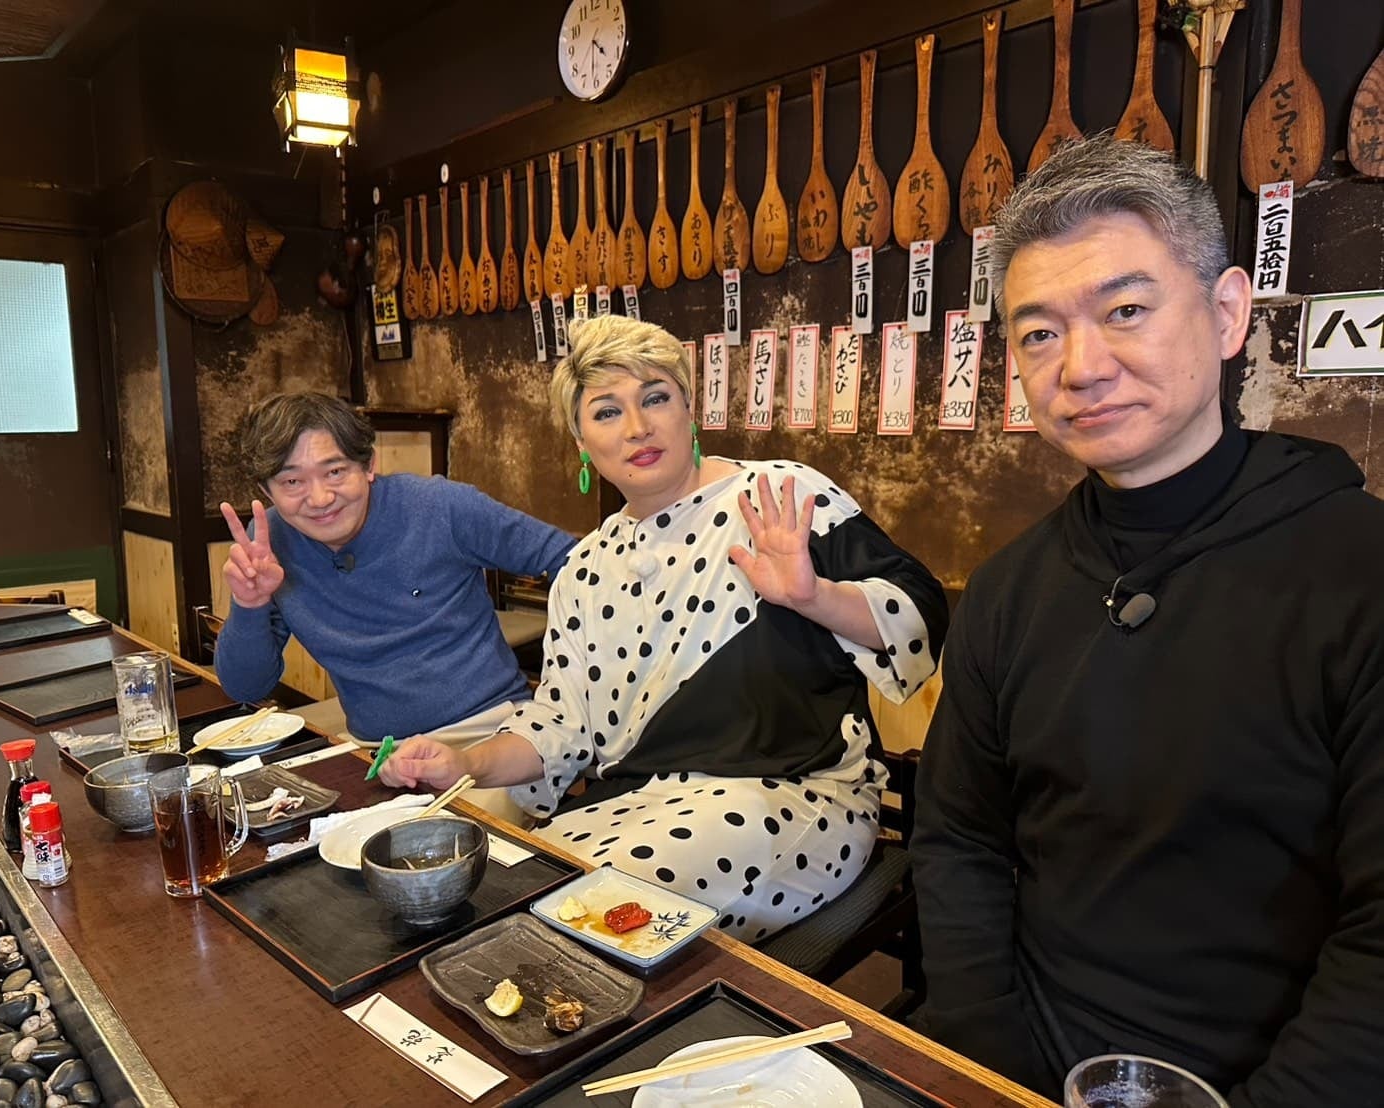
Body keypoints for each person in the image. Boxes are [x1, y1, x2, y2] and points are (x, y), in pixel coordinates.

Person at [912, 134, 1384, 1106]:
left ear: (1226, 312)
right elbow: (958, 842)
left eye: (1124, 310)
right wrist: (990, 1066)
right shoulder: (1007, 589)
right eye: (1038, 333)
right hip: (1025, 1062)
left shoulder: (1358, 571)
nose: (1080, 366)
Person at [381, 315, 948, 940]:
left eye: (655, 398)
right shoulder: (585, 569)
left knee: (605, 914)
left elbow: (918, 611)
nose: (637, 427)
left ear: (689, 410)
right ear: (581, 442)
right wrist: (465, 762)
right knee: (518, 895)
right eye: (606, 412)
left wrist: (815, 596)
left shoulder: (775, 496)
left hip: (794, 796)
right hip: (633, 806)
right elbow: (559, 726)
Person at [214, 392, 576, 822]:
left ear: (368, 465)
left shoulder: (440, 506)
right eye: (292, 482)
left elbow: (576, 561)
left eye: (335, 471)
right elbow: (246, 687)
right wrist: (249, 605)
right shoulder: (269, 540)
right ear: (266, 490)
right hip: (376, 754)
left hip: (488, 738)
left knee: (443, 854)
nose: (320, 497)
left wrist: (568, 686)